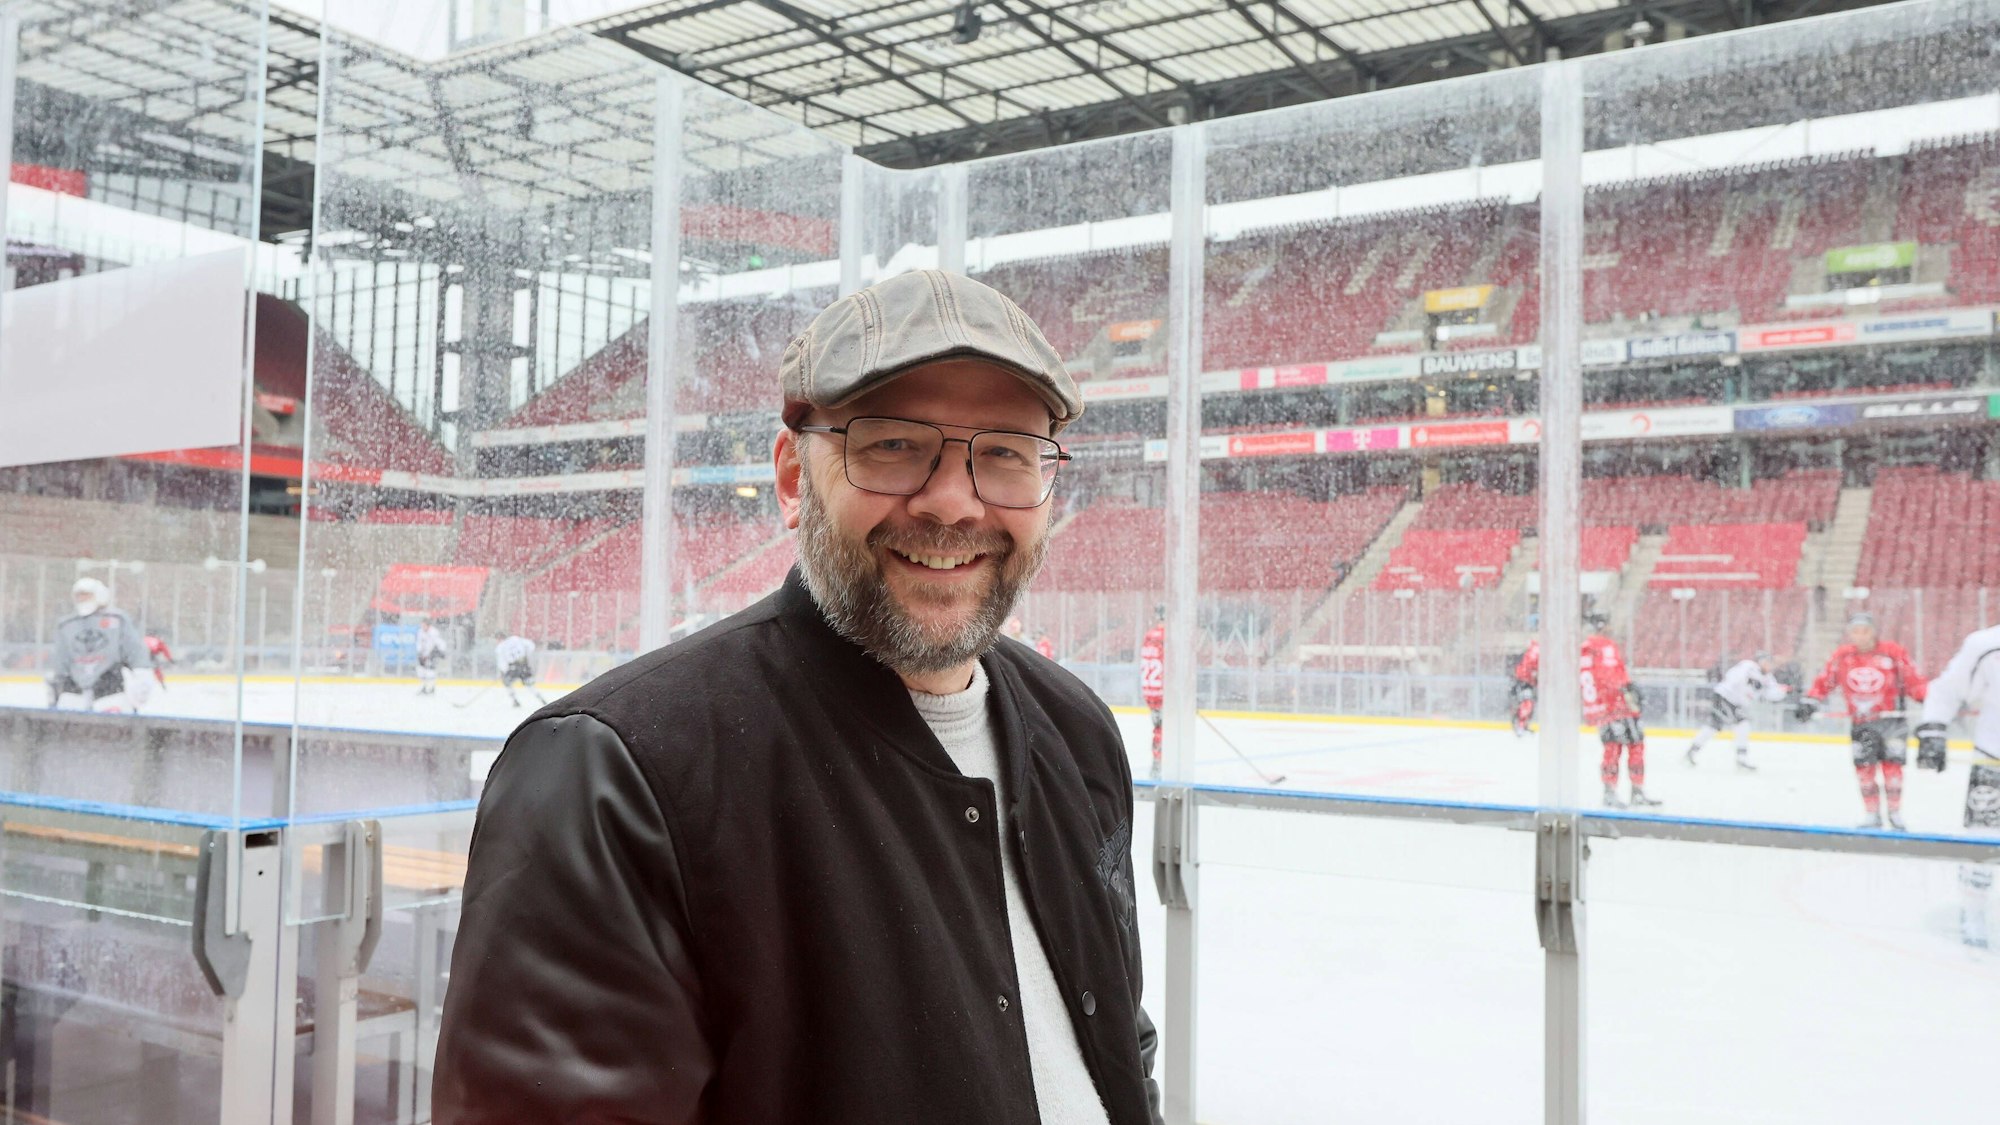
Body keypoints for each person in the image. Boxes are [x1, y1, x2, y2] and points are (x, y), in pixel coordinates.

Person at [435, 270, 1162, 1125]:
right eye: (892, 443)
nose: (954, 501)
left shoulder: (1076, 730)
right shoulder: (615, 774)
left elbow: (1115, 1035)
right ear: (792, 476)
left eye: (1004, 450)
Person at [1797, 613, 1928, 830]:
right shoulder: (1843, 656)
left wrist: (1928, 699)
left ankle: (1895, 812)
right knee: (1864, 768)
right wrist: (1811, 700)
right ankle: (1871, 812)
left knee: (1892, 768)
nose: (1860, 636)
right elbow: (1825, 680)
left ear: (1873, 631)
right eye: (1855, 631)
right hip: (1862, 723)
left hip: (1892, 722)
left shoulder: (1892, 652)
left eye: (1864, 630)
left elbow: (1914, 679)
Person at [1914, 622, 2000, 946]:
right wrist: (1933, 727)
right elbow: (1949, 688)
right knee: (1984, 841)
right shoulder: (1987, 645)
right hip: (1994, 759)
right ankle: (1974, 910)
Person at [1583, 611, 1658, 808]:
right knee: (1615, 748)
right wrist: (1620, 692)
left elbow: (1615, 673)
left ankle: (1634, 790)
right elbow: (1602, 677)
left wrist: (1627, 688)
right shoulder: (1597, 647)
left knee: (1632, 745)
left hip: (1617, 705)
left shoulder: (1601, 647)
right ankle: (1613, 792)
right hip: (1612, 706)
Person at [47, 578, 152, 714]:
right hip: (73, 691)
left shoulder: (117, 621)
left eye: (87, 595)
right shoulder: (67, 626)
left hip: (109, 688)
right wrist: (55, 687)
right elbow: (60, 661)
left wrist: (142, 674)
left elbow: (134, 652)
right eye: (79, 596)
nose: (83, 600)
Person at [1684, 651, 1790, 772]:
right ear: (1760, 662)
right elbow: (1734, 678)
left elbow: (1772, 694)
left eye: (1770, 663)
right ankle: (1741, 758)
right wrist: (1749, 685)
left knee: (1714, 726)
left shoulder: (1769, 678)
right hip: (1724, 698)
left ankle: (1691, 752)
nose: (1768, 665)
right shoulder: (1748, 666)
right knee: (1742, 724)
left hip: (1734, 703)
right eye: (1766, 662)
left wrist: (1783, 692)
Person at [1139, 604, 1166, 780]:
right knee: (1164, 731)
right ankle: (1160, 765)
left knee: (1158, 729)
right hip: (1164, 693)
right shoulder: (1167, 637)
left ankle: (1156, 764)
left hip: (1151, 692)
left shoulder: (1149, 637)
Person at [492, 633, 542, 707]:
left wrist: (505, 671)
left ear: (499, 639)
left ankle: (515, 700)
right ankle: (541, 699)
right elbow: (531, 645)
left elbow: (502, 663)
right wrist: (525, 657)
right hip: (523, 665)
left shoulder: (500, 647)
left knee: (507, 682)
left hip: (512, 668)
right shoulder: (515, 638)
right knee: (529, 684)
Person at [1509, 637, 1540, 737]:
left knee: (1527, 703)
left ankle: (1522, 724)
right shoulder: (1536, 651)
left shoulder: (1533, 650)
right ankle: (1521, 725)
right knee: (1527, 704)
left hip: (1523, 681)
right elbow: (1532, 667)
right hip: (1525, 681)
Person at [415, 618, 447, 696]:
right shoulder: (420, 632)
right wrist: (420, 653)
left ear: (428, 625)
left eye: (424, 625)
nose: (422, 627)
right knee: (421, 670)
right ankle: (424, 686)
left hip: (434, 652)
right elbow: (419, 643)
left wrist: (427, 655)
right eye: (422, 625)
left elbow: (432, 645)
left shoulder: (433, 632)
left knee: (430, 671)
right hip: (424, 654)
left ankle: (431, 688)